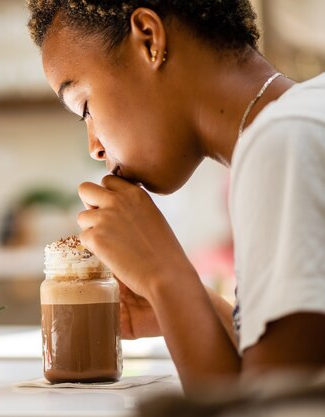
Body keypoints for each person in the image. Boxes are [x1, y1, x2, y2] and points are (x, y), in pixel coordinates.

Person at [27, 0, 325, 394]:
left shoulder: (282, 144)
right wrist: (195, 308)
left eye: (84, 106)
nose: (94, 147)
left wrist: (165, 277)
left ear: (149, 38)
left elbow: (268, 409)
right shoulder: (305, 116)